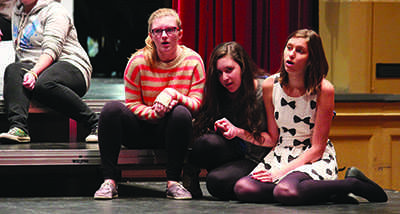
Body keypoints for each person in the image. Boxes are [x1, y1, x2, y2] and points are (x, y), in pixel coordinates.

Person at [233, 29, 388, 204]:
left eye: (299, 51)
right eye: (289, 48)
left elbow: (317, 148)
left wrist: (279, 173)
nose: (290, 55)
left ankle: (353, 184)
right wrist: (238, 132)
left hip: (311, 157)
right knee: (243, 188)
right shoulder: (271, 85)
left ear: (311, 59)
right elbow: (273, 138)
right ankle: (327, 193)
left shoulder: (324, 89)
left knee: (285, 191)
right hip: (280, 154)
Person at [93, 8, 206, 200]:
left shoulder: (193, 61)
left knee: (181, 113)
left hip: (173, 131)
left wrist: (173, 94)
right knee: (111, 109)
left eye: (170, 30)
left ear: (180, 33)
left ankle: (173, 183)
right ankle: (109, 181)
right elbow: (132, 104)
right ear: (151, 36)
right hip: (141, 128)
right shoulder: (138, 62)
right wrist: (155, 112)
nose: (164, 36)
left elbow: (196, 104)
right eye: (158, 31)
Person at [0, 0, 98, 143]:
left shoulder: (55, 11)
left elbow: (52, 50)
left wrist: (34, 73)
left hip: (70, 65)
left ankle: (95, 122)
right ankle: (19, 127)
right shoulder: (17, 11)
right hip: (37, 68)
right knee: (13, 69)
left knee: (44, 83)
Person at [186, 41, 271, 200]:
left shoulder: (263, 90)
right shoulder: (219, 92)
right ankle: (190, 174)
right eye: (219, 73)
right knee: (206, 142)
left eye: (229, 70)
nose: (224, 78)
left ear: (243, 67)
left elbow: (272, 139)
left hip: (260, 157)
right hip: (236, 152)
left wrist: (237, 131)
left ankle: (258, 186)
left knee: (216, 183)